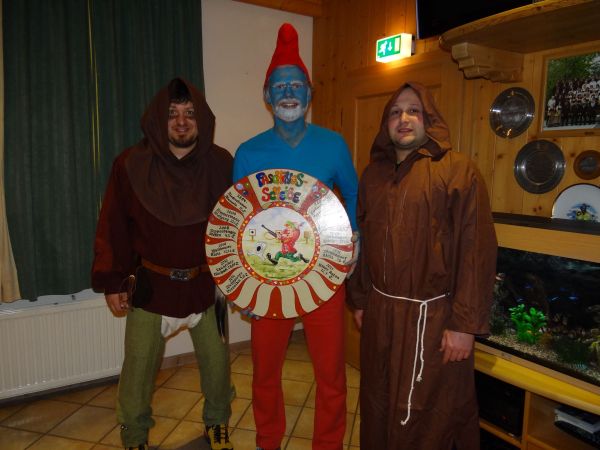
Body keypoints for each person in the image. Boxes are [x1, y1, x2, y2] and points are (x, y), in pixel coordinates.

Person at [347, 82, 497, 450]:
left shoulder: (459, 171)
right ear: (386, 124)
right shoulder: (373, 175)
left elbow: (475, 250)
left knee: (430, 416)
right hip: (381, 314)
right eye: (395, 112)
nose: (404, 118)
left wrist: (464, 325)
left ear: (429, 118)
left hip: (433, 321)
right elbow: (363, 243)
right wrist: (361, 300)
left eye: (414, 110)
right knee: (378, 402)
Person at [233, 23, 359, 450]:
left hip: (325, 278)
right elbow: (238, 221)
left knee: (331, 372)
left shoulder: (333, 145)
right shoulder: (248, 152)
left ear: (310, 93)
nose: (288, 92)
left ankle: (329, 444)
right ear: (267, 96)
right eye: (280, 86)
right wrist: (241, 286)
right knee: (265, 370)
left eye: (296, 85)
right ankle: (268, 440)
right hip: (270, 279)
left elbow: (354, 194)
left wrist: (353, 239)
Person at [91, 78, 235, 450]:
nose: (182, 122)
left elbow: (238, 224)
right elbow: (113, 225)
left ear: (202, 119)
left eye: (190, 113)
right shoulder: (130, 164)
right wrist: (113, 281)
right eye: (172, 114)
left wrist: (239, 279)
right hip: (150, 287)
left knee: (217, 366)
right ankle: (134, 436)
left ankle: (218, 424)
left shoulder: (221, 164)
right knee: (138, 369)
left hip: (207, 287)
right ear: (159, 118)